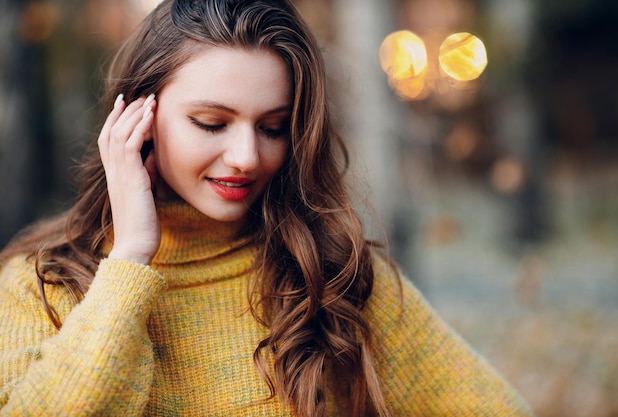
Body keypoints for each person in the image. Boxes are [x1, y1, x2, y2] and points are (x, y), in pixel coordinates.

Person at [0, 0, 535, 416]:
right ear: (138, 117)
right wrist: (131, 259)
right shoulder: (40, 285)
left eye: (273, 127)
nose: (246, 157)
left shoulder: (334, 275)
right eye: (211, 123)